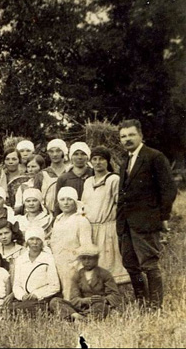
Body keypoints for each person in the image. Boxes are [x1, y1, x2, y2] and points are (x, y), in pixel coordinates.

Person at [117, 119, 177, 310]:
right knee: (130, 264)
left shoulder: (154, 157)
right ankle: (141, 302)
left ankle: (155, 305)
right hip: (126, 223)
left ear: (141, 135)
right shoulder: (125, 160)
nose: (127, 139)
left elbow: (169, 189)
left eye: (131, 135)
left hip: (145, 222)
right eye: (123, 136)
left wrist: (162, 216)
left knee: (149, 264)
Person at [8, 227, 81, 321]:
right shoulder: (20, 259)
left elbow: (54, 286)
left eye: (38, 239)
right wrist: (22, 295)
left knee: (46, 305)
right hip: (24, 299)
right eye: (31, 239)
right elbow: (17, 284)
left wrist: (36, 295)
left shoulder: (48, 258)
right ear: (27, 241)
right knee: (11, 308)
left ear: (42, 241)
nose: (34, 242)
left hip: (43, 299)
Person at [81, 146, 129, 284]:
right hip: (91, 228)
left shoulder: (113, 179)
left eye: (101, 159)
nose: (98, 162)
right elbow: (84, 205)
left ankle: (115, 294)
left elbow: (120, 205)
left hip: (108, 228)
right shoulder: (88, 181)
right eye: (94, 159)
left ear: (107, 161)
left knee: (110, 264)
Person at [49, 187, 93, 300]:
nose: (66, 203)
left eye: (69, 199)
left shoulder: (81, 220)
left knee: (72, 293)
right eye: (62, 199)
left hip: (74, 264)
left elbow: (86, 247)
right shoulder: (58, 220)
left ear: (75, 202)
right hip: (58, 262)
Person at [68, 243, 122, 320]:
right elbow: (73, 299)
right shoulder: (77, 275)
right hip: (82, 307)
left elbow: (115, 296)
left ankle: (82, 318)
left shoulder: (104, 274)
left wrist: (104, 299)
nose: (87, 261)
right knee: (55, 301)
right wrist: (85, 300)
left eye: (90, 258)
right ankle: (78, 316)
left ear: (96, 259)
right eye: (84, 258)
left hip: (98, 305)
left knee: (101, 307)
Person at [54, 142, 93, 215]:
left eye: (83, 154)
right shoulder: (63, 178)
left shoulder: (93, 175)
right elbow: (58, 203)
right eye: (76, 154)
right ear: (71, 157)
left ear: (88, 156)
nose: (79, 157)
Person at [35, 139, 70, 213]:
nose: (55, 154)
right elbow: (36, 197)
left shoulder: (70, 172)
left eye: (58, 151)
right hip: (47, 214)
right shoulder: (42, 175)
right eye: (51, 151)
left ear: (63, 152)